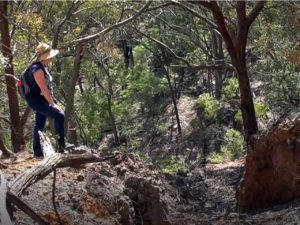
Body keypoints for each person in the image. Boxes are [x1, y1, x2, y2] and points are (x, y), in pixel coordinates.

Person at [25, 42, 73, 158]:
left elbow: (46, 89)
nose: (51, 58)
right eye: (49, 56)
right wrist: (52, 104)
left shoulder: (42, 67)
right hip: (36, 100)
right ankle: (62, 147)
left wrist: (52, 101)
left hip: (40, 99)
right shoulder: (37, 69)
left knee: (40, 124)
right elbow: (44, 89)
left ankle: (37, 152)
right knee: (60, 115)